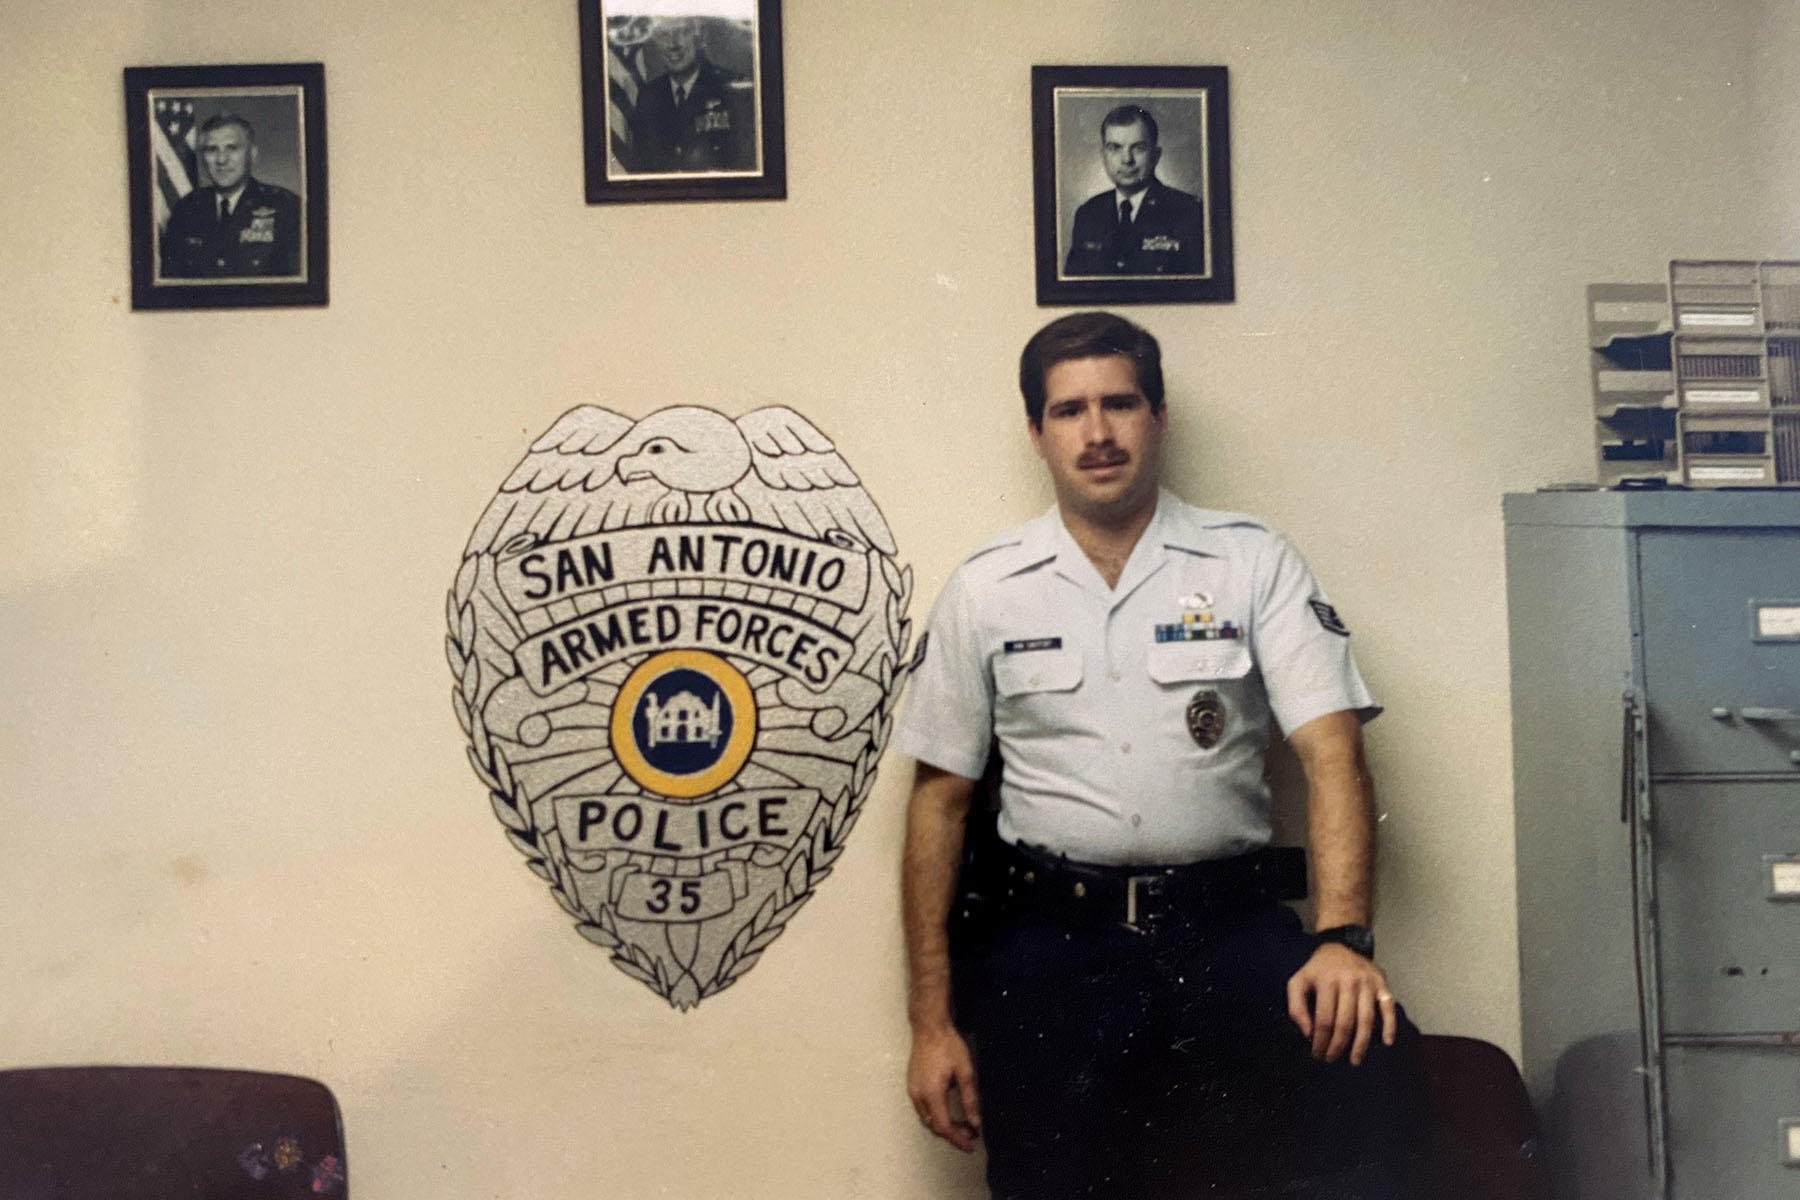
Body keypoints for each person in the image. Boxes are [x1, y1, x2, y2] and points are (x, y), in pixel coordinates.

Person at [897, 312, 1432, 1198]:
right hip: (1056, 945)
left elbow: (1332, 754)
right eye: (1069, 411)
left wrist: (1344, 941)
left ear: (1160, 416)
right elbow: (938, 805)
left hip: (1226, 930)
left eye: (1120, 403)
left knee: (1364, 1073)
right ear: (1036, 431)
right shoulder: (986, 588)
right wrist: (930, 1021)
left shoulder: (1249, 562)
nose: (1097, 433)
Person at [1064, 105, 1206, 277]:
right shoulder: (1088, 214)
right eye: (1115, 148)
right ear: (1103, 156)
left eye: (1138, 148)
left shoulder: (1188, 212)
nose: (1126, 160)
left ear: (1156, 155)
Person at [159, 113, 302, 279]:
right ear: (203, 158)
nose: (221, 159)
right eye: (212, 149)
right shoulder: (186, 210)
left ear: (252, 155)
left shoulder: (286, 207)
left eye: (232, 148)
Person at [627, 16, 755, 173]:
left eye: (682, 31)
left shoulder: (734, 90)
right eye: (663, 34)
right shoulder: (648, 97)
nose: (673, 44)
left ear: (699, 35)